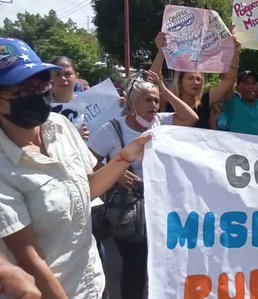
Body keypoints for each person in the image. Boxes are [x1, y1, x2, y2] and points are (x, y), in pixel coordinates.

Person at [0, 37, 150, 299]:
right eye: (23, 91)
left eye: (42, 84)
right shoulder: (4, 166)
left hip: (93, 283)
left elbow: (86, 189)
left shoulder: (61, 126)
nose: (37, 95)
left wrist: (126, 156)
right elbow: (30, 259)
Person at [88, 71, 198, 299]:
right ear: (131, 103)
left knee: (164, 261)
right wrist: (115, 174)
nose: (154, 105)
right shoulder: (112, 129)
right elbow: (87, 158)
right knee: (135, 264)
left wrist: (165, 90)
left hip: (162, 206)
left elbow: (191, 118)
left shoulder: (164, 122)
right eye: (148, 99)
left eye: (157, 100)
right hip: (128, 210)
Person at [150, 32, 239, 129]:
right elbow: (153, 79)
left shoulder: (205, 101)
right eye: (190, 78)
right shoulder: (168, 101)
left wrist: (235, 52)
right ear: (180, 81)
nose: (195, 82)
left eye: (199, 79)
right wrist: (161, 51)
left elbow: (228, 81)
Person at [48, 56, 91, 140]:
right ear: (49, 78)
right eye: (57, 74)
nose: (63, 78)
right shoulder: (41, 107)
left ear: (76, 77)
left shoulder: (91, 103)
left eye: (68, 74)